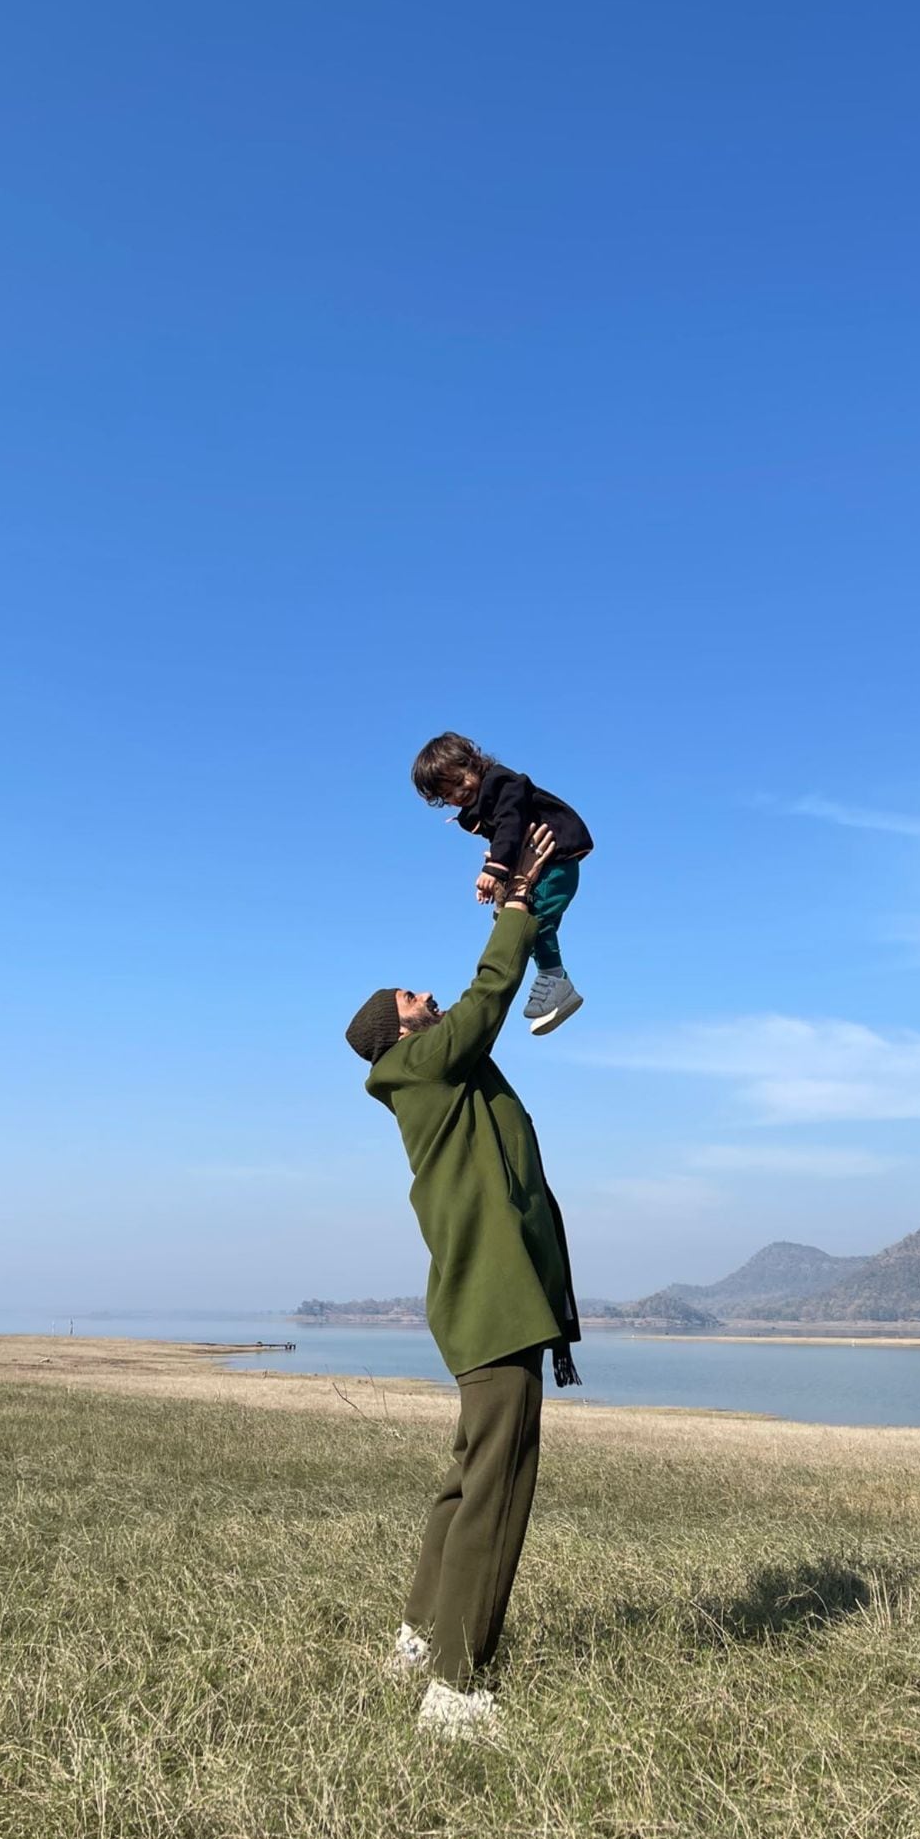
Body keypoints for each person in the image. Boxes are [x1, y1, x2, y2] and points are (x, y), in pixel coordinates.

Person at [344, 824, 581, 1742]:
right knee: (499, 1484)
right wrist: (520, 904)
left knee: (469, 1475)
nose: (430, 996)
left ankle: (416, 1635)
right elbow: (487, 996)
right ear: (395, 1034)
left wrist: (512, 888)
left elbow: (477, 1014)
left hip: (489, 1301)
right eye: (414, 998)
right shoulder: (416, 1067)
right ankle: (456, 1686)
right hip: (494, 1306)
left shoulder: (440, 1075)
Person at [411, 731, 593, 1035]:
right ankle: (554, 978)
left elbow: (511, 825)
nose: (458, 794)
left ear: (473, 762)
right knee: (526, 928)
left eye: (459, 782)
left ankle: (555, 978)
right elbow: (504, 839)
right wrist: (496, 877)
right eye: (448, 796)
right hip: (546, 866)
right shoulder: (481, 805)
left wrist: (495, 869)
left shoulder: (502, 784)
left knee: (530, 923)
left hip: (556, 862)